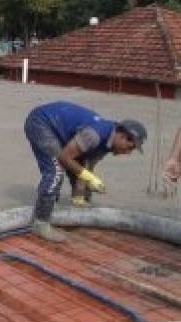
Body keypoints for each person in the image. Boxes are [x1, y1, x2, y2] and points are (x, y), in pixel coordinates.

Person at [24, 101, 146, 242]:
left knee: (79, 168)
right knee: (56, 169)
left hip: (60, 130)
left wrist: (79, 197)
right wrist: (89, 177)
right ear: (122, 136)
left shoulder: (107, 143)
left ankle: (67, 206)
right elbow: (65, 157)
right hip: (41, 123)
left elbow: (86, 165)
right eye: (129, 148)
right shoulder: (94, 135)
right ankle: (40, 222)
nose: (128, 152)